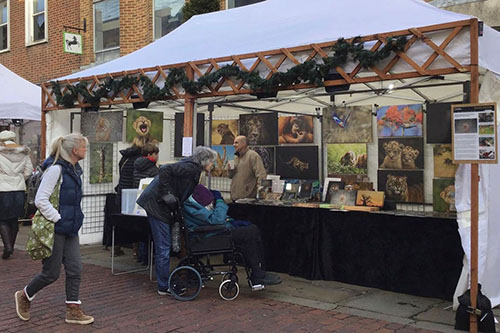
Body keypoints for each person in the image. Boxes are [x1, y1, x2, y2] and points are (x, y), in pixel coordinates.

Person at [15, 133, 94, 325]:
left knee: (75, 269)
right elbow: (41, 199)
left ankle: (73, 309)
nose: (85, 150)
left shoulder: (75, 170)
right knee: (51, 273)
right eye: (84, 147)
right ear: (75, 150)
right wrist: (58, 218)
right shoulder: (56, 170)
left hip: (70, 228)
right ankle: (25, 295)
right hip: (56, 228)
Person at [136, 146, 217, 295]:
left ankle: (165, 282)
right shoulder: (191, 168)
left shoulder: (191, 167)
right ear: (205, 161)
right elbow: (165, 169)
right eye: (212, 162)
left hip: (157, 204)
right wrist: (166, 194)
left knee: (164, 246)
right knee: (164, 247)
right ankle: (164, 286)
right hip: (157, 206)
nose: (213, 165)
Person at [183, 184, 281, 286]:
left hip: (211, 233)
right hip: (207, 237)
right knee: (249, 233)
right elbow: (217, 220)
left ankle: (259, 271)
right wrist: (220, 201)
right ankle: (258, 274)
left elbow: (213, 219)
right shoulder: (191, 206)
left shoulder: (193, 202)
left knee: (252, 231)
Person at [0, 130, 33, 259]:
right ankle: (11, 247)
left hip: (2, 190)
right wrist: (19, 179)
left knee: (2, 219)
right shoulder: (23, 153)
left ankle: (8, 247)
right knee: (14, 219)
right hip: (19, 190)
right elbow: (28, 171)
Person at [132, 142, 159, 264]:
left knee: (141, 230)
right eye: (155, 154)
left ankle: (142, 256)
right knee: (151, 231)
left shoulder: (136, 166)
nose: (157, 156)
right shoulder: (153, 169)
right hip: (151, 203)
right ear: (149, 155)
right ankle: (149, 257)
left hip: (138, 202)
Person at [228, 136, 266, 201]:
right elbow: (230, 176)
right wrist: (230, 170)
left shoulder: (253, 156)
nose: (233, 145)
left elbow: (261, 175)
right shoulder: (235, 157)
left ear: (244, 143)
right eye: (234, 143)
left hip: (248, 200)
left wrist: (260, 193)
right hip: (234, 198)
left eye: (236, 143)